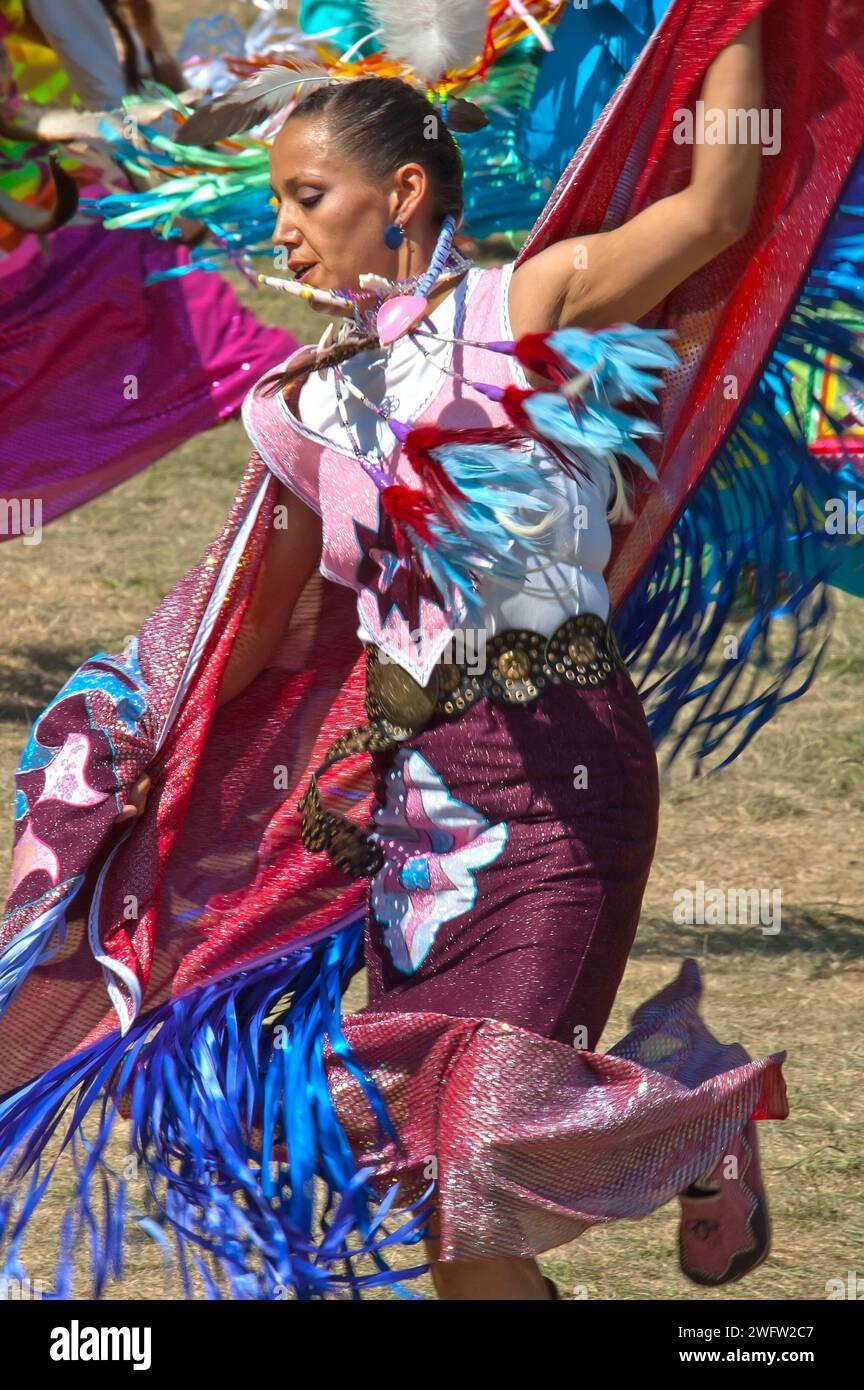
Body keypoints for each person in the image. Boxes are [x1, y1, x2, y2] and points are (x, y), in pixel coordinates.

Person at [1, 0, 858, 1301]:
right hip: (425, 824)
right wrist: (143, 752)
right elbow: (259, 637)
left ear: (400, 192)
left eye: (309, 194)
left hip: (561, 794)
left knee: (480, 1143)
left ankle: (690, 1101)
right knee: (457, 1222)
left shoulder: (524, 307)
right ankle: (675, 1102)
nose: (282, 228)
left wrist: (730, 26)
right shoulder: (305, 404)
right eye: (281, 200)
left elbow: (716, 215)